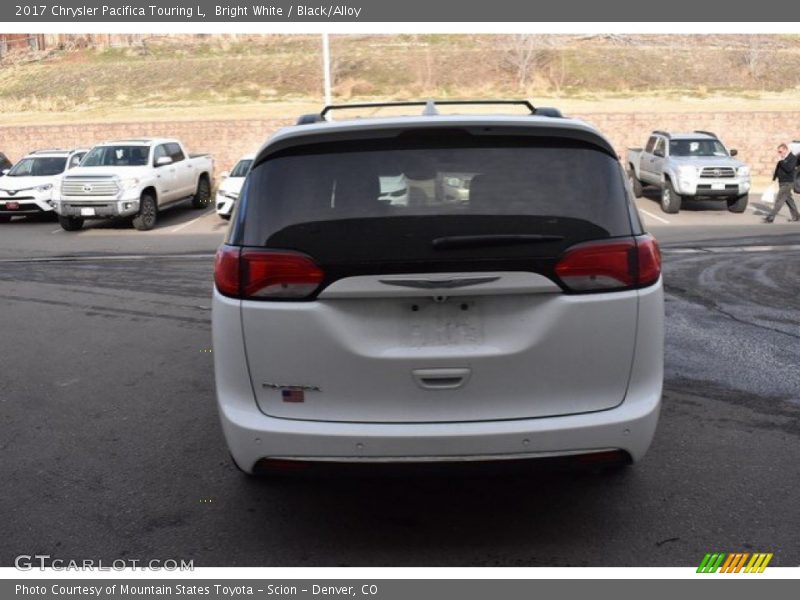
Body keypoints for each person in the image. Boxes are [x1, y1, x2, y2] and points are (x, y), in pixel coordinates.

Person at [763, 143, 799, 223]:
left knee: (779, 199)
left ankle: (771, 217)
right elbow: (778, 168)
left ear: (785, 150)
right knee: (789, 200)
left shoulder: (792, 158)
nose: (779, 153)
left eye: (781, 151)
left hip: (788, 183)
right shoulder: (782, 159)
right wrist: (774, 179)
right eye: (778, 152)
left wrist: (781, 161)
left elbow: (789, 169)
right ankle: (796, 216)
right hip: (781, 182)